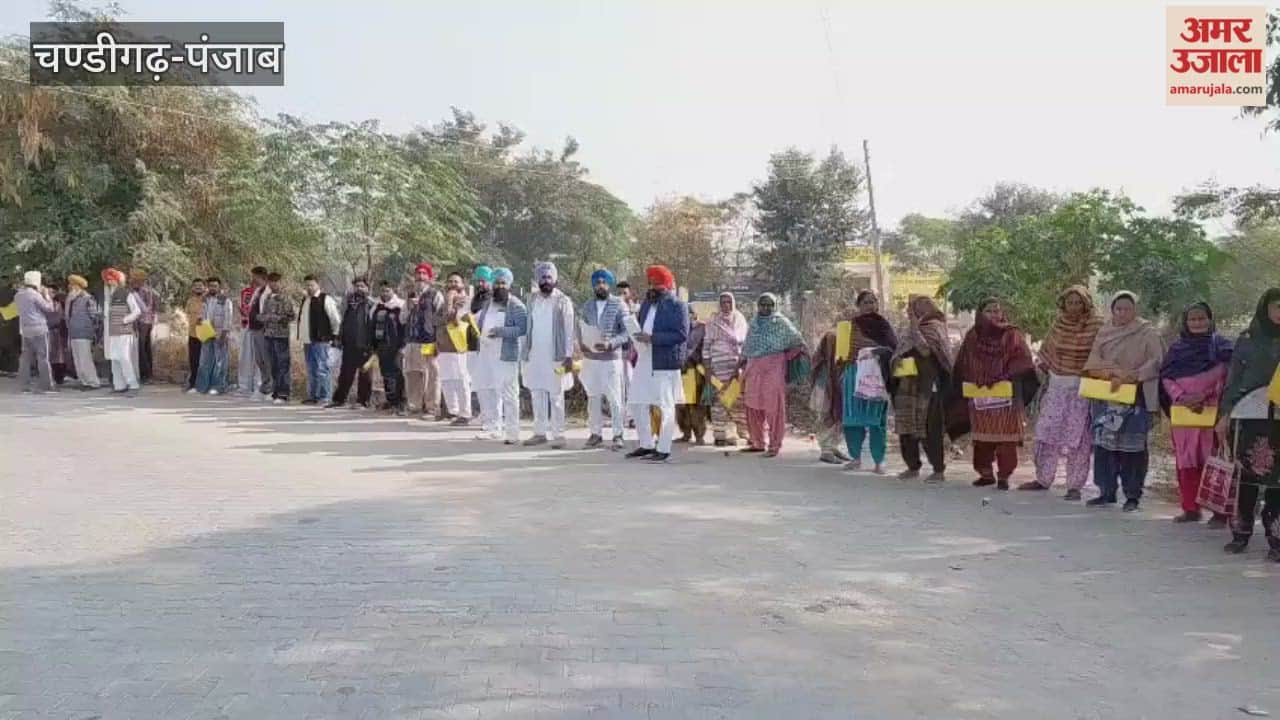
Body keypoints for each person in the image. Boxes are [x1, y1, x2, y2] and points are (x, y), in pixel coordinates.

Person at [1081, 291, 1165, 511]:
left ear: (1135, 310)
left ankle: (1132, 495)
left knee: (1133, 449)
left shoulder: (1148, 333)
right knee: (1104, 446)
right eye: (1118, 308)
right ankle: (1106, 492)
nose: (1122, 313)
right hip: (1107, 394)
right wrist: (1111, 373)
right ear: (1112, 310)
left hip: (1135, 396)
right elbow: (1093, 361)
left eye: (1127, 308)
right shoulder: (1105, 331)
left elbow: (1157, 361)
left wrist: (1132, 375)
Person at [1020, 286, 1102, 498]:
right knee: (1046, 434)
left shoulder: (1097, 326)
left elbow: (1101, 355)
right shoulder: (1058, 324)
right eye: (1070, 302)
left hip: (1082, 389)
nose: (1074, 307)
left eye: (1078, 303)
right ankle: (1043, 479)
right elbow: (1047, 351)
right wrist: (1044, 367)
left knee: (1078, 438)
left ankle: (1074, 486)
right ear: (1063, 304)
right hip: (1056, 386)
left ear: (1086, 304)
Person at [1216, 288, 1280, 559]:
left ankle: (1276, 538)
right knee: (1246, 478)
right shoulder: (1247, 339)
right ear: (1265, 308)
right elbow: (1234, 380)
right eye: (1276, 306)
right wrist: (1224, 414)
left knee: (1278, 481)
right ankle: (1240, 534)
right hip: (1249, 416)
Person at [1159, 301, 1233, 524]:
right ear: (1186, 322)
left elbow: (1229, 375)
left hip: (1212, 413)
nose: (1198, 323)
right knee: (1186, 459)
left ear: (1210, 320)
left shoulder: (1221, 347)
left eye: (1202, 318)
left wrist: (1205, 395)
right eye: (1193, 319)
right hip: (1184, 414)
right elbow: (1166, 377)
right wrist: (1183, 397)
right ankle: (1190, 508)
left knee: (1214, 459)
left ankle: (1220, 511)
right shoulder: (1177, 349)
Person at [953, 298, 1036, 490]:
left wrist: (1002, 375)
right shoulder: (973, 336)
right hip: (979, 393)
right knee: (982, 439)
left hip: (1006, 394)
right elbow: (964, 362)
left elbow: (1023, 360)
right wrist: (976, 377)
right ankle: (986, 474)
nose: (994, 315)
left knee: (1007, 440)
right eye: (989, 311)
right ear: (980, 314)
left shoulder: (1012, 334)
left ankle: (1005, 476)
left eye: (997, 311)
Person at [625, 265, 690, 462]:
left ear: (667, 286)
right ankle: (646, 444)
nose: (653, 287)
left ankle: (663, 449)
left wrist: (652, 338)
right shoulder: (646, 304)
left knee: (665, 406)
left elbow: (681, 335)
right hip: (644, 358)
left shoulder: (678, 306)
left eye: (657, 284)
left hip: (664, 361)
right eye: (651, 283)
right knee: (637, 402)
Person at [891, 295, 953, 483]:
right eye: (917, 305)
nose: (920, 308)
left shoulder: (935, 326)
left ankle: (938, 469)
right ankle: (912, 466)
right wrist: (897, 361)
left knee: (929, 426)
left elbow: (925, 349)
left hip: (928, 385)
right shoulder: (908, 330)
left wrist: (914, 325)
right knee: (906, 426)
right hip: (907, 384)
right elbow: (898, 351)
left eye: (925, 304)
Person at [740, 293, 805, 457]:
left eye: (769, 305)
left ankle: (774, 445)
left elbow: (797, 342)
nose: (766, 308)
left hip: (774, 369)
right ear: (758, 306)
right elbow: (748, 347)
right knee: (752, 405)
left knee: (773, 406)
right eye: (763, 304)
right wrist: (741, 364)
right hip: (754, 368)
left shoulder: (781, 322)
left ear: (775, 306)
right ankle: (757, 442)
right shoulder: (754, 324)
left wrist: (784, 358)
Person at [840, 290, 899, 474]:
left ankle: (878, 461)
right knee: (852, 417)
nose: (870, 305)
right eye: (866, 302)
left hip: (877, 375)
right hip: (853, 374)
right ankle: (855, 458)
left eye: (873, 301)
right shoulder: (850, 326)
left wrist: (878, 351)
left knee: (877, 420)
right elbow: (842, 352)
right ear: (858, 306)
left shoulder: (884, 326)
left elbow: (894, 349)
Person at [521, 262, 576, 448]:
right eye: (542, 277)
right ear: (538, 280)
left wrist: (569, 355)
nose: (546, 280)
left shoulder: (563, 301)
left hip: (556, 356)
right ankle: (539, 432)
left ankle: (559, 435)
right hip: (535, 354)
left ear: (555, 279)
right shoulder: (532, 300)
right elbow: (527, 328)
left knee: (556, 394)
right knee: (536, 393)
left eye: (549, 277)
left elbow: (569, 330)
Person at [577, 268, 629, 449]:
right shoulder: (587, 305)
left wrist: (610, 343)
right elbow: (581, 327)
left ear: (609, 284)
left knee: (614, 398)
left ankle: (618, 434)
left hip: (610, 358)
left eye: (604, 282)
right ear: (593, 285)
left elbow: (626, 332)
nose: (600, 285)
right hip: (591, 358)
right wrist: (581, 343)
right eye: (597, 282)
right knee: (593, 397)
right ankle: (595, 434)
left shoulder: (619, 304)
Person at [474, 268, 527, 444]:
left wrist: (500, 332)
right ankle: (492, 427)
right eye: (496, 283)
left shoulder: (516, 305)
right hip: (486, 354)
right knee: (488, 390)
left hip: (506, 356)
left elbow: (522, 329)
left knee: (509, 394)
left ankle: (512, 432)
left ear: (509, 285)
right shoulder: (488, 303)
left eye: (503, 283)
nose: (499, 286)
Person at [704, 292, 749, 446]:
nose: (726, 305)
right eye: (723, 302)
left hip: (737, 367)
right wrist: (708, 369)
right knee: (719, 400)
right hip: (717, 367)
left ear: (733, 303)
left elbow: (745, 345)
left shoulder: (740, 320)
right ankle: (720, 435)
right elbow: (706, 346)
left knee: (739, 400)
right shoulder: (712, 321)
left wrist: (741, 365)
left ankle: (745, 433)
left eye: (729, 302)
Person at [404, 263, 444, 420]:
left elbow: (441, 317)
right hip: (412, 341)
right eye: (418, 274)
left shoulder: (435, 295)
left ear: (429, 278)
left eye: (424, 274)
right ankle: (414, 406)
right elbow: (402, 318)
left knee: (431, 374)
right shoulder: (411, 295)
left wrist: (437, 339)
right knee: (413, 373)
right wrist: (408, 305)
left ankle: (431, 408)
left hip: (428, 340)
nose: (420, 277)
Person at [328, 277, 374, 408]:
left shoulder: (371, 303)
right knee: (345, 373)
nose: (359, 289)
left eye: (362, 286)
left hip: (366, 344)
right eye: (356, 286)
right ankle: (339, 400)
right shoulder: (348, 302)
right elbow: (342, 321)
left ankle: (363, 401)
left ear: (367, 288)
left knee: (365, 374)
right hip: (349, 344)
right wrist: (339, 338)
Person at [296, 275, 341, 405]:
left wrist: (334, 336)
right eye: (307, 285)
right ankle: (313, 396)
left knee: (322, 368)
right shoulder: (306, 300)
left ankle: (325, 396)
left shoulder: (325, 299)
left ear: (318, 285)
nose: (309, 288)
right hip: (308, 340)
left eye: (312, 285)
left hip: (322, 340)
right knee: (311, 369)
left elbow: (335, 320)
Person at [438, 271, 475, 426]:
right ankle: (453, 411)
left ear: (462, 284)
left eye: (456, 281)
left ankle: (465, 413)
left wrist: (450, 300)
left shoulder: (465, 300)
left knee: (461, 380)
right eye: (450, 281)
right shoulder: (446, 299)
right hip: (444, 345)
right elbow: (439, 320)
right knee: (447, 380)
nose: (453, 284)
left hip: (460, 346)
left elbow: (452, 319)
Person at [14, 270, 56, 393]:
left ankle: (24, 386)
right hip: (39, 329)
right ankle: (46, 386)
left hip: (25, 329)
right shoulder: (35, 295)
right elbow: (49, 308)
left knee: (25, 358)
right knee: (43, 357)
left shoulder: (18, 295)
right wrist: (47, 295)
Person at [101, 268, 142, 393]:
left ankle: (133, 384)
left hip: (124, 332)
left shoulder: (126, 294)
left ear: (117, 280)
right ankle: (119, 385)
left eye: (111, 279)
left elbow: (137, 311)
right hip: (112, 332)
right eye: (107, 280)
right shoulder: (108, 295)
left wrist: (125, 320)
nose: (109, 282)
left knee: (124, 358)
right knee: (114, 359)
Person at [259, 272, 296, 405]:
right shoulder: (268, 297)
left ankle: (283, 393)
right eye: (271, 282)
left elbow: (291, 316)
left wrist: (275, 318)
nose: (273, 284)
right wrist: (262, 318)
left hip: (281, 335)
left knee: (283, 364)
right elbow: (263, 314)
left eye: (276, 281)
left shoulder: (285, 298)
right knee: (273, 364)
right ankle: (275, 391)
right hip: (269, 334)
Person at [675, 308, 710, 445]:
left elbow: (705, 348)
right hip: (679, 371)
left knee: (695, 405)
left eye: (689, 314)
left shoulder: (702, 328)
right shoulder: (677, 328)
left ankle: (699, 435)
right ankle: (685, 433)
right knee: (681, 404)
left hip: (694, 370)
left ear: (694, 315)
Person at [371, 281, 407, 414]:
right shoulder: (377, 306)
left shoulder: (400, 305)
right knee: (385, 374)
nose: (385, 293)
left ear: (393, 290)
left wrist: (403, 346)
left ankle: (399, 402)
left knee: (396, 374)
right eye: (382, 291)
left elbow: (404, 327)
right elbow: (372, 325)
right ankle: (390, 400)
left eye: (387, 290)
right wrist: (373, 345)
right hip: (381, 346)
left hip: (396, 346)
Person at [195, 277, 234, 395]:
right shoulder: (205, 299)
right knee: (204, 361)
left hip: (219, 333)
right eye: (211, 286)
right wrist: (199, 321)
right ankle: (202, 387)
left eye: (215, 286)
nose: (213, 288)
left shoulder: (225, 300)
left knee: (220, 362)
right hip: (206, 333)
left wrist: (224, 333)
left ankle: (218, 387)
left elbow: (228, 318)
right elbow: (202, 314)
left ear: (219, 287)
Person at [64, 274, 102, 390]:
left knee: (85, 358)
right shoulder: (71, 299)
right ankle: (84, 381)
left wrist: (93, 331)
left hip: (84, 332)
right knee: (77, 359)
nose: (69, 287)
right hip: (73, 332)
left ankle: (93, 382)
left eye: (72, 284)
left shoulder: (87, 298)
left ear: (77, 286)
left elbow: (95, 316)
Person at [243, 266, 274, 398]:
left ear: (261, 276)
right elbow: (252, 308)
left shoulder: (269, 291)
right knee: (259, 359)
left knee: (267, 359)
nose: (253, 279)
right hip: (254, 328)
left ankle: (271, 388)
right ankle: (265, 386)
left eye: (254, 276)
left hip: (264, 329)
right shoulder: (258, 291)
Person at [128, 270, 160, 383]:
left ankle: (145, 374)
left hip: (142, 321)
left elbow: (145, 308)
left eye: (134, 279)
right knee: (145, 348)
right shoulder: (149, 291)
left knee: (141, 348)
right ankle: (147, 374)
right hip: (145, 322)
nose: (132, 281)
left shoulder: (144, 291)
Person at [237, 269, 264, 396]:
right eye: (253, 276)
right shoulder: (246, 292)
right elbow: (244, 308)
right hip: (246, 327)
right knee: (245, 357)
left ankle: (259, 387)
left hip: (260, 328)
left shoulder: (266, 292)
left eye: (256, 277)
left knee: (259, 359)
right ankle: (244, 386)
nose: (253, 279)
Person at [183, 278, 207, 393]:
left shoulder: (208, 300)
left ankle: (205, 384)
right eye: (195, 285)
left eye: (200, 285)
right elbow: (187, 315)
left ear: (204, 287)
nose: (198, 287)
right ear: (192, 288)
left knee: (205, 360)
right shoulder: (190, 301)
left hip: (205, 332)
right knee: (193, 360)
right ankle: (193, 384)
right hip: (192, 333)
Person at [45, 286, 70, 386]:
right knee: (50, 355)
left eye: (51, 292)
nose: (49, 294)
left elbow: (58, 318)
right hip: (48, 331)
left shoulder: (57, 304)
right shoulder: (44, 304)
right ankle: (52, 377)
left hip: (56, 332)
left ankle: (59, 377)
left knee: (58, 356)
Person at [0, 275, 18, 377]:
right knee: (12, 347)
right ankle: (13, 369)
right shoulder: (15, 293)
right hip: (12, 322)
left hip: (1, 321)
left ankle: (2, 368)